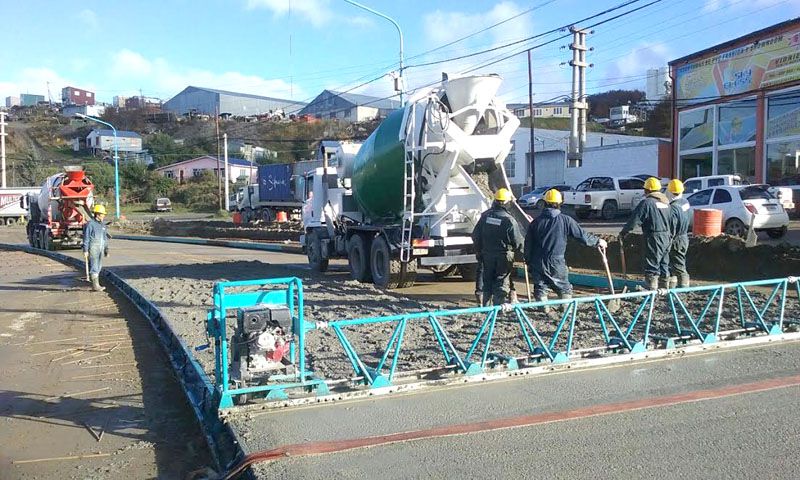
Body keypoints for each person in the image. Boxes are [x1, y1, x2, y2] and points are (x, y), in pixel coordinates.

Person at [524, 188, 607, 305]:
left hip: (538, 261)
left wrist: (528, 261)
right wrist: (598, 241)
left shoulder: (536, 222)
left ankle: (543, 307)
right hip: (556, 261)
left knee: (541, 287)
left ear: (544, 203)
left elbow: (528, 244)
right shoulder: (565, 220)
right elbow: (582, 236)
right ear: (559, 204)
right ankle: (565, 307)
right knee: (564, 287)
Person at [472, 188, 524, 306]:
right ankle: (497, 307)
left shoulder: (485, 216)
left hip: (487, 255)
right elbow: (518, 241)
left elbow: (475, 235)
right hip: (503, 256)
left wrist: (479, 251)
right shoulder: (509, 220)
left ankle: (485, 306)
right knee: (501, 281)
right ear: (507, 202)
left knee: (488, 281)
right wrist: (525, 253)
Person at [619, 177, 671, 290]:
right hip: (667, 236)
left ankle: (651, 289)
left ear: (647, 190)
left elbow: (635, 220)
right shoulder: (666, 203)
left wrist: (624, 232)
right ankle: (665, 288)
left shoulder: (647, 203)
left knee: (652, 262)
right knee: (664, 262)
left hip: (654, 236)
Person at [667, 179, 691, 288]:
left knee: (678, 264)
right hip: (684, 237)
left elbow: (672, 226)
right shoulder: (685, 202)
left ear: (670, 192)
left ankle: (683, 286)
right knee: (677, 262)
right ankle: (674, 284)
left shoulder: (673, 207)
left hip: (676, 239)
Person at [83, 204, 109, 292]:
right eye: (102, 214)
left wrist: (106, 249)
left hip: (101, 248)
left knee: (99, 266)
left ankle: (96, 284)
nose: (104, 216)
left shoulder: (103, 226)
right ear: (97, 214)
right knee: (94, 266)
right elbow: (86, 238)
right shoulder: (90, 224)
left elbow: (105, 238)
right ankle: (95, 286)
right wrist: (85, 250)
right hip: (93, 248)